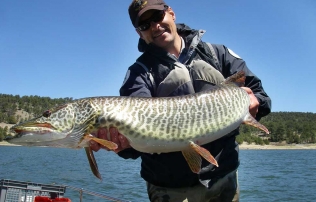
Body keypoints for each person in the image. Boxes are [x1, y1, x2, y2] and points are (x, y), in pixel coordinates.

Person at [91, 0, 271, 201]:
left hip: (223, 182)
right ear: (139, 33)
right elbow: (138, 143)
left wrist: (256, 103)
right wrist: (121, 145)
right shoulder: (138, 75)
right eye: (144, 25)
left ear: (171, 13)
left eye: (157, 17)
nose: (154, 26)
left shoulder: (217, 54)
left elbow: (261, 96)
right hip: (169, 189)